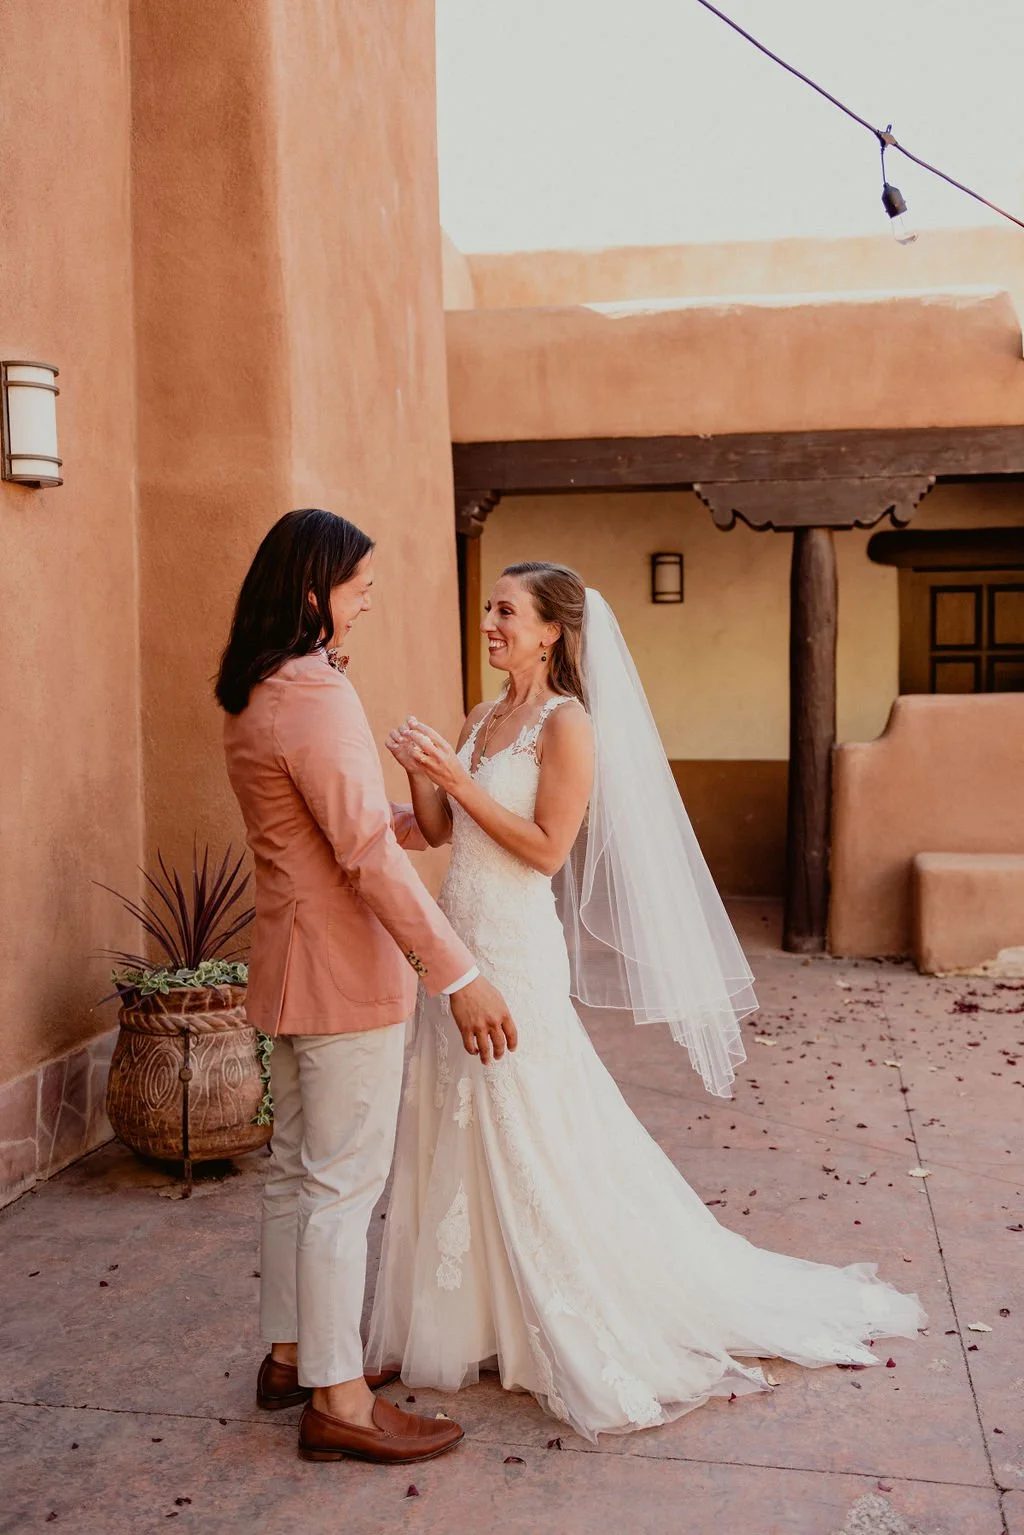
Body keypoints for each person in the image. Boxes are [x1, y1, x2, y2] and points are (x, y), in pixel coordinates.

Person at [366, 560, 926, 1442]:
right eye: (488, 608)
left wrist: (461, 781)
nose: (490, 622)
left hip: (515, 950)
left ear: (552, 629)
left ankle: (572, 1306)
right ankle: (464, 1317)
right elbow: (441, 833)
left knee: (532, 1121)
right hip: (459, 946)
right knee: (456, 1114)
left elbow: (549, 850)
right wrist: (423, 771)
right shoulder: (481, 715)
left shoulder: (568, 724)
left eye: (506, 611)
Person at [217, 508, 516, 1464]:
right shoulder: (316, 692)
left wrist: (416, 817)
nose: (370, 599)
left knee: (298, 1171)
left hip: (291, 967)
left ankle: (295, 1352)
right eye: (360, 586)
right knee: (344, 1184)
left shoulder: (259, 688)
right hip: (345, 974)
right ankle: (338, 1401)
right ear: (315, 593)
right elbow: (362, 857)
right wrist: (458, 972)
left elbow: (333, 823)